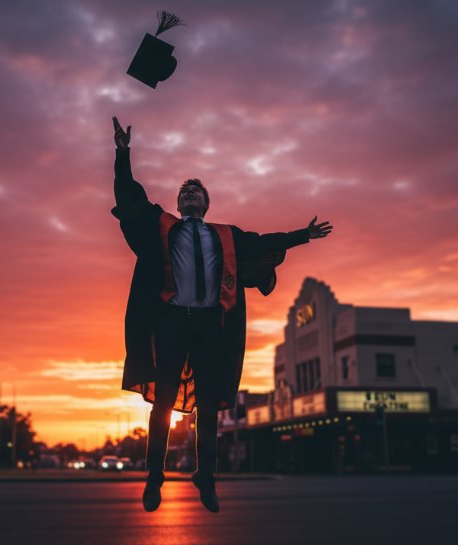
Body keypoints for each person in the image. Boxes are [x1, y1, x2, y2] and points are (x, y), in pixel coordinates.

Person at [111, 117, 333, 512]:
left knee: (209, 404)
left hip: (211, 325)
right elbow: (130, 196)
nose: (191, 194)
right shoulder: (162, 226)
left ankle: (206, 476)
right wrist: (123, 153)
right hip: (172, 319)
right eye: (186, 191)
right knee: (163, 401)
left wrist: (303, 234)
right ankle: (154, 476)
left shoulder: (227, 235)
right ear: (179, 203)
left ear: (205, 203)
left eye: (197, 191)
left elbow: (266, 241)